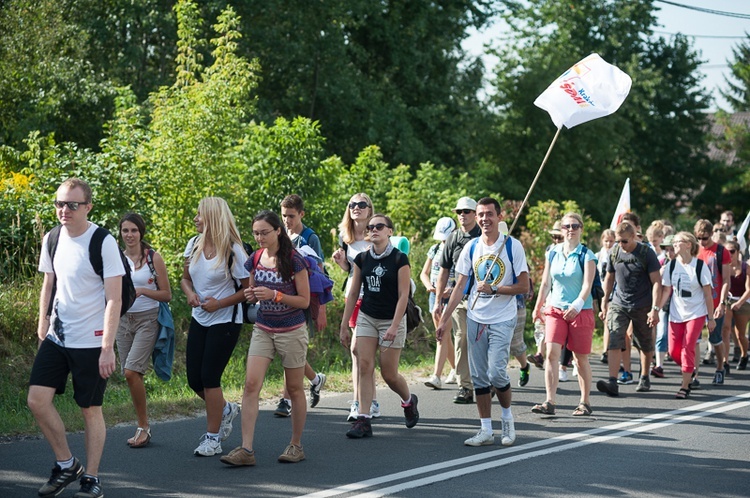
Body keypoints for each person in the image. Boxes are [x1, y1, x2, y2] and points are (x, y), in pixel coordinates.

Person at [28, 178, 124, 498]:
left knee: (89, 408)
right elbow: (48, 283)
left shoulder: (103, 241)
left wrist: (107, 348)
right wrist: (43, 321)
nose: (63, 210)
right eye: (59, 203)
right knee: (37, 400)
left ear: (88, 207)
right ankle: (67, 464)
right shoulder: (52, 238)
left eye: (72, 204)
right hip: (58, 336)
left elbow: (114, 298)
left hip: (92, 341)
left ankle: (92, 478)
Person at [436, 197, 529, 447]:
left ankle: (507, 420)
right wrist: (444, 320)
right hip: (476, 317)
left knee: (496, 372)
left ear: (499, 217)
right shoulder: (472, 248)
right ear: (477, 219)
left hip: (503, 317)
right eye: (481, 215)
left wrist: (496, 288)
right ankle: (485, 429)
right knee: (479, 378)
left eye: (490, 214)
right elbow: (459, 287)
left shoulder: (512, 246)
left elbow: (524, 286)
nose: (485, 218)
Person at [220, 210, 311, 466]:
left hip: (291, 329)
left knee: (294, 389)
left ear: (278, 231)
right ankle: (246, 450)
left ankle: (296, 445)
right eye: (256, 233)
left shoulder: (294, 260)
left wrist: (275, 295)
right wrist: (251, 295)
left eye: (264, 232)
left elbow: (304, 300)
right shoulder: (255, 258)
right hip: (263, 327)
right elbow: (250, 290)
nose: (259, 237)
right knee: (250, 385)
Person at [340, 214, 420, 438]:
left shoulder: (399, 259)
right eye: (371, 227)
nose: (374, 230)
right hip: (367, 316)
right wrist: (344, 325)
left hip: (391, 318)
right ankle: (363, 419)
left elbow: (404, 295)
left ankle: (408, 400)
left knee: (389, 374)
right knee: (364, 365)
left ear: (390, 232)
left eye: (379, 226)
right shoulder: (362, 259)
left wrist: (394, 325)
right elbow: (354, 292)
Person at [181, 197, 249, 457]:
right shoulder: (194, 244)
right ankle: (226, 409)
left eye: (200, 215)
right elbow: (185, 279)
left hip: (226, 320)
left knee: (210, 378)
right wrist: (189, 294)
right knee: (193, 380)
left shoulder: (234, 250)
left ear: (212, 218)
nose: (196, 219)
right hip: (200, 317)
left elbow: (248, 290)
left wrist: (219, 303)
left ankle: (213, 438)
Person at [531, 213, 596, 416]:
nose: (570, 229)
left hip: (580, 311)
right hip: (556, 309)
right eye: (566, 226)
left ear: (581, 229)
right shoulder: (553, 252)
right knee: (551, 354)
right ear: (561, 229)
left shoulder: (587, 255)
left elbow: (587, 285)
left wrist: (576, 305)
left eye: (574, 226)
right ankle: (550, 401)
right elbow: (545, 282)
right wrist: (538, 304)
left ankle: (584, 402)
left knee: (579, 358)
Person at [116, 213, 172, 448]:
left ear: (141, 233)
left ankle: (143, 427)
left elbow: (167, 295)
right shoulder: (116, 258)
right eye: (125, 230)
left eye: (134, 231)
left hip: (148, 319)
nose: (129, 235)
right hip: (122, 320)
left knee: (131, 371)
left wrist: (141, 290)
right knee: (131, 375)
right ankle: (142, 427)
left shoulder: (153, 258)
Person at [273, 194, 327, 417]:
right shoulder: (280, 234)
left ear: (301, 214)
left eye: (291, 216)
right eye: (284, 215)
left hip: (303, 299)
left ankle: (286, 400)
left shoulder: (309, 238)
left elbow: (320, 273)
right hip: (283, 299)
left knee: (291, 348)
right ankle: (315, 379)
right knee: (288, 349)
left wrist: (321, 309)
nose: (287, 220)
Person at [597, 221, 661, 397]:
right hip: (619, 303)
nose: (621, 244)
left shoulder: (646, 253)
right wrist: (605, 300)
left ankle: (645, 375)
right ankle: (612, 381)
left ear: (634, 237)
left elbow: (657, 282)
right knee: (615, 338)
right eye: (618, 241)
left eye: (624, 241)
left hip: (643, 305)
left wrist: (655, 308)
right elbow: (609, 278)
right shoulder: (615, 252)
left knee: (644, 343)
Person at [331, 193, 380, 421]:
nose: (356, 208)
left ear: (370, 209)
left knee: (359, 352)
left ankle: (361, 402)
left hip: (374, 299)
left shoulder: (376, 235)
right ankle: (367, 402)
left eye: (361, 204)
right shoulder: (345, 237)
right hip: (354, 297)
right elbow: (352, 271)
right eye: (352, 205)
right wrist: (342, 264)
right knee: (359, 354)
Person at [433, 196, 482, 404]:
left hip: (484, 298)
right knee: (461, 337)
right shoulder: (453, 238)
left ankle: (489, 380)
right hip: (459, 297)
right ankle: (465, 387)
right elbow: (443, 270)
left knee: (482, 341)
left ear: (475, 214)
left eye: (467, 211)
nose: (462, 215)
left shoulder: (484, 235)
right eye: (459, 212)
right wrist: (437, 301)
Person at [656, 232, 714, 398]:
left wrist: (711, 318)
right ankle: (690, 369)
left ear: (688, 244)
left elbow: (708, 294)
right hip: (676, 314)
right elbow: (667, 290)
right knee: (674, 351)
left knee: (688, 346)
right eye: (673, 242)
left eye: (677, 242)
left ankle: (684, 385)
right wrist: (656, 310)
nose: (673, 244)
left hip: (696, 313)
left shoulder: (700, 266)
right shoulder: (671, 266)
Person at [420, 216, 458, 389]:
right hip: (434, 297)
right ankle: (456, 369)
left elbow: (463, 275)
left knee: (442, 335)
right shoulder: (434, 249)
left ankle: (436, 376)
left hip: (450, 297)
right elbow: (424, 273)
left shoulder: (458, 249)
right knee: (444, 336)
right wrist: (429, 287)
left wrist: (452, 289)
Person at [694, 219, 731, 385]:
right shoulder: (694, 250)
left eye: (705, 238)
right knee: (693, 339)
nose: (702, 242)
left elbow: (725, 280)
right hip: (696, 302)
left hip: (715, 301)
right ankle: (693, 375)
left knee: (715, 338)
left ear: (711, 235)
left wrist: (722, 303)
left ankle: (720, 367)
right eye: (699, 238)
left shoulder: (721, 251)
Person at [528, 221, 565, 370]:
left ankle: (564, 360)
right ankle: (539, 354)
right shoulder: (550, 250)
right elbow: (546, 278)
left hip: (563, 296)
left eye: (559, 237)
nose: (556, 240)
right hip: (550, 293)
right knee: (541, 323)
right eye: (554, 237)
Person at [652, 234, 676, 378]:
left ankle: (687, 367)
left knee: (676, 337)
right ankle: (659, 365)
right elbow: (654, 283)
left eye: (672, 249)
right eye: (666, 249)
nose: (669, 252)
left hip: (680, 305)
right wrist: (659, 275)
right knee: (661, 333)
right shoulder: (661, 262)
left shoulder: (684, 264)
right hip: (664, 303)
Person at [726, 240, 750, 370]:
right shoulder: (723, 266)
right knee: (726, 329)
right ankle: (724, 361)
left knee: (740, 334)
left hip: (743, 301)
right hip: (728, 300)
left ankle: (744, 354)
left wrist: (739, 303)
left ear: (737, 252)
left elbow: (749, 289)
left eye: (732, 251)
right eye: (727, 252)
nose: (729, 254)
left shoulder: (745, 267)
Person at [597, 229, 616, 365]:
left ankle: (609, 349)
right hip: (601, 291)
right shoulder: (598, 256)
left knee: (609, 321)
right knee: (605, 321)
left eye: (611, 241)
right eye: (606, 241)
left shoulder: (616, 255)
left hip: (614, 292)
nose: (608, 244)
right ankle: (606, 349)